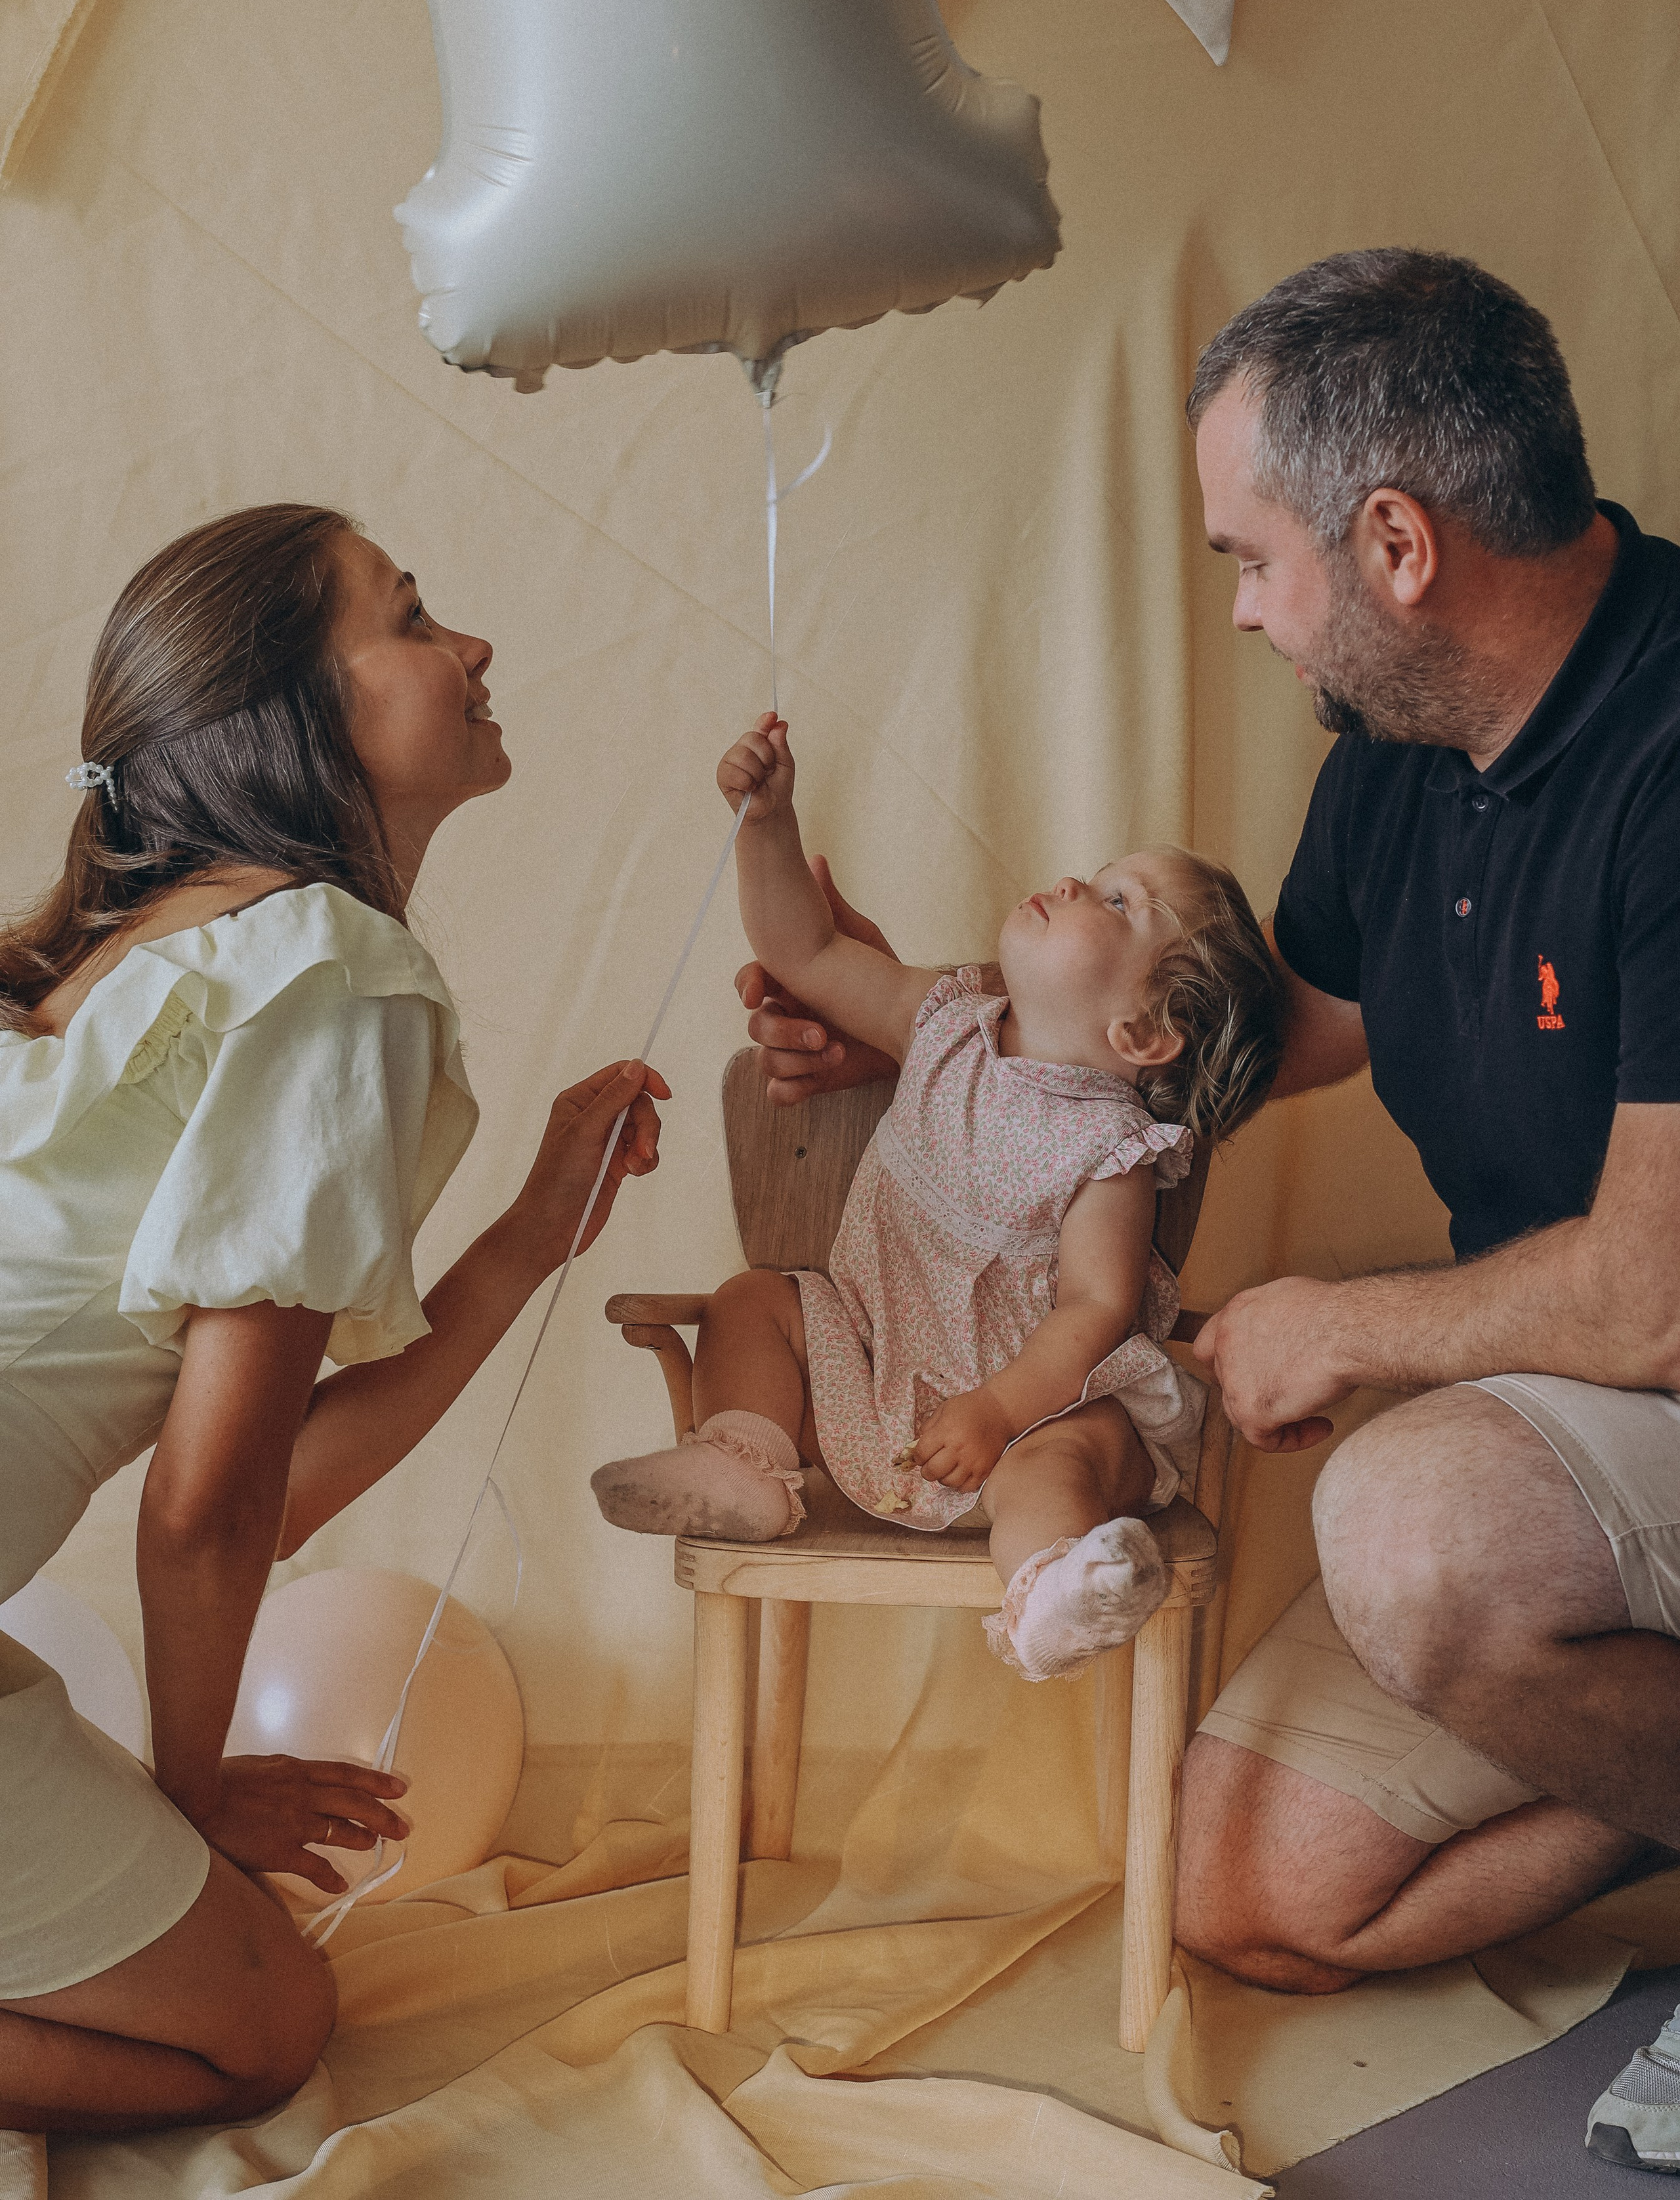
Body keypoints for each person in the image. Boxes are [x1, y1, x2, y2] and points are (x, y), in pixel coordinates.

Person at [736, 251, 1680, 2171]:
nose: (1242, 611)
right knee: (1242, 1887)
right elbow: (1269, 1039)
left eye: (1251, 559)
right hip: (1577, 1412)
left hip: (1644, 1358)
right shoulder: (1399, 760)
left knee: (1406, 1525)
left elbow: (1652, 1297)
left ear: (1395, 544)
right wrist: (969, 1055)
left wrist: (1343, 1325)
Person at [0, 505, 667, 2140]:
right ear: (293, 716)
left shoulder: (117, 959)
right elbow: (212, 1503)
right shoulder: (325, 968)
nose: (473, 646)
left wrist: (525, 1239)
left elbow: (260, 1483)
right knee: (266, 2030)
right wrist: (191, 1795)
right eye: (413, 616)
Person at [592, 713, 1281, 1683]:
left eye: (1120, 903)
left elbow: (1097, 1308)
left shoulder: (1113, 1148)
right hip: (873, 1360)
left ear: (1143, 1033)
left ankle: (1052, 1593)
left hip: (1031, 1409)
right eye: (1099, 875)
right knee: (753, 1302)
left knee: (1066, 1460)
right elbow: (807, 951)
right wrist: (768, 824)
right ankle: (743, 1464)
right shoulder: (945, 1021)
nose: (1076, 883)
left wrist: (998, 1409)